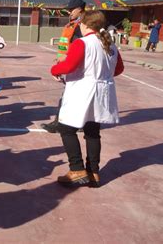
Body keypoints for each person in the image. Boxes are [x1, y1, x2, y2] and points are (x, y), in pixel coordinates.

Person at [50, 10, 124, 187]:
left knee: (66, 128)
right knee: (92, 132)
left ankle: (76, 169)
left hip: (83, 92)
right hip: (103, 92)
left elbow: (69, 65)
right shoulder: (111, 45)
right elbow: (119, 69)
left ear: (85, 25)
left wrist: (55, 69)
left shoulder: (82, 43)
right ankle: (93, 172)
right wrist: (101, 74)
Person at [41, 0, 86, 133]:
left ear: (80, 9)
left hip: (79, 67)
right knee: (71, 96)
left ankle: (62, 123)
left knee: (69, 97)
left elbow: (80, 49)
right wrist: (59, 61)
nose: (69, 12)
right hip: (70, 65)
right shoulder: (70, 26)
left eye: (72, 9)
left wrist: (64, 64)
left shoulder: (84, 26)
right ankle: (78, 123)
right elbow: (63, 46)